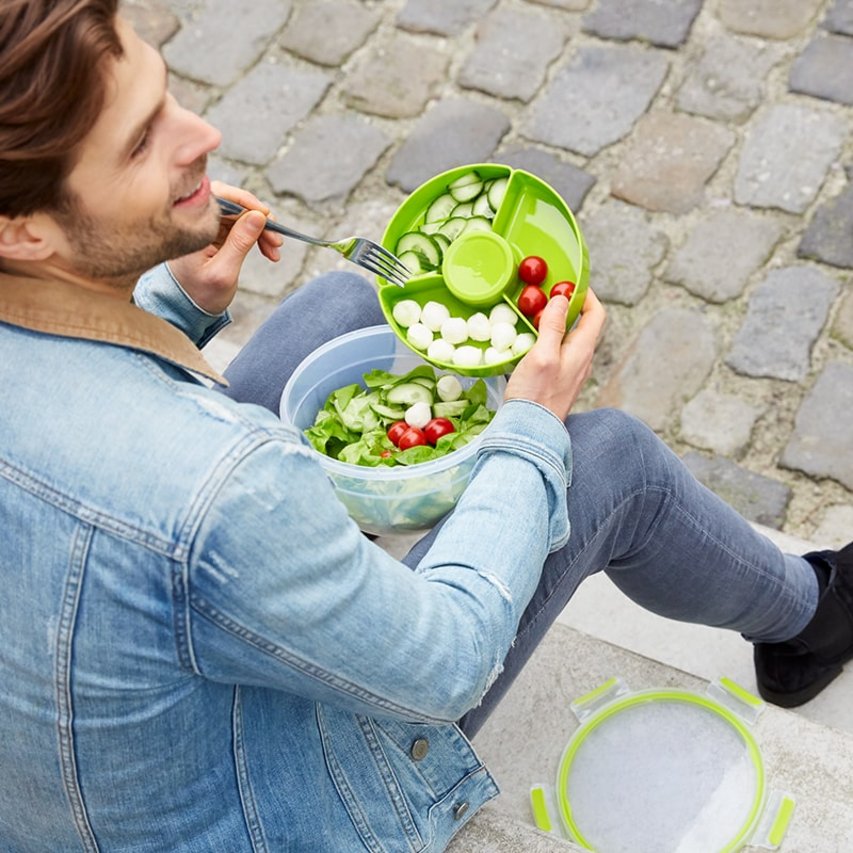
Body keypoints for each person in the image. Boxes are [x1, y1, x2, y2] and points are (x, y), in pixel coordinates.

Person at [0, 1, 850, 850]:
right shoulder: (230, 488)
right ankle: (814, 619)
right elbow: (447, 662)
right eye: (142, 141)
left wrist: (171, 303)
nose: (202, 135)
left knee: (343, 299)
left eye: (167, 95)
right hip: (284, 807)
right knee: (608, 459)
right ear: (25, 228)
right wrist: (526, 424)